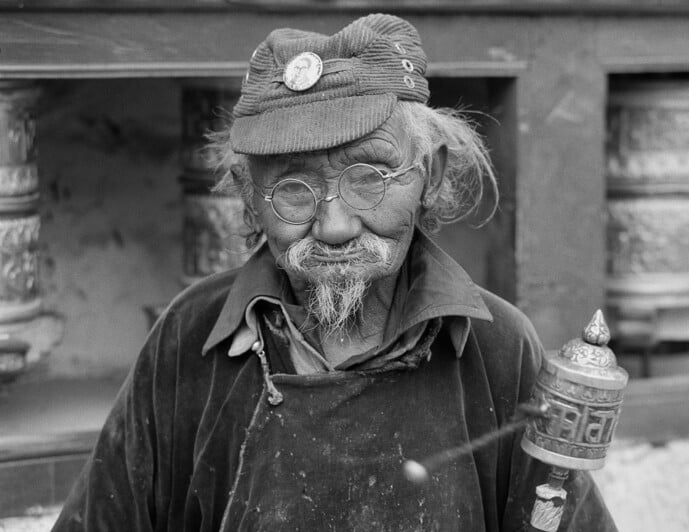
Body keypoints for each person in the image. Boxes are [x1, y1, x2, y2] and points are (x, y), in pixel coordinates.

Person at [53, 14, 617, 532]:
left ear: (430, 174)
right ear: (249, 199)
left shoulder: (495, 346)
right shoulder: (191, 335)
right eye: (293, 188)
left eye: (369, 175)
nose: (336, 226)